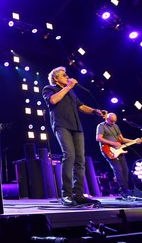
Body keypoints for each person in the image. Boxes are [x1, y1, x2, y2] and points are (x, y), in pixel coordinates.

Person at [42, 66, 105, 206]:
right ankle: (67, 194)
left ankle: (78, 194)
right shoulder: (49, 89)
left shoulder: (71, 93)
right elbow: (53, 101)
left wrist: (95, 111)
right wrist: (69, 86)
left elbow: (81, 106)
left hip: (77, 127)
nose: (67, 77)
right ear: (55, 78)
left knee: (80, 160)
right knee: (69, 155)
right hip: (61, 125)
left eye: (66, 75)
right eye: (64, 75)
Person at [96, 112, 142, 199]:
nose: (113, 123)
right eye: (111, 121)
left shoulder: (116, 126)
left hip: (118, 150)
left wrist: (134, 140)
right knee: (118, 169)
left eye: (114, 121)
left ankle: (126, 189)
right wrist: (112, 143)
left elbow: (122, 139)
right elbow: (98, 138)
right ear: (107, 118)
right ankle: (123, 189)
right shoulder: (101, 126)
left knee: (125, 169)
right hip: (108, 149)